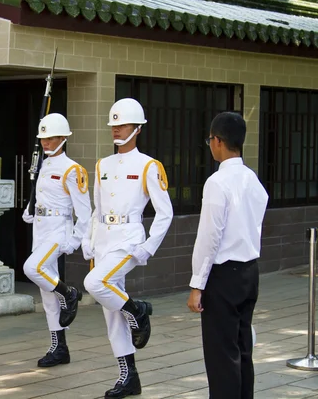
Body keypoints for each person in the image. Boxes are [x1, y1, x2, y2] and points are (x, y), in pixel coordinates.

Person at [82, 98, 173, 398]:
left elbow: (165, 212)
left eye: (122, 125)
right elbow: (96, 210)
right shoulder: (102, 165)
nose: (116, 130)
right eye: (114, 125)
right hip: (105, 240)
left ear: (137, 129)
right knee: (111, 314)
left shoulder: (148, 165)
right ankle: (128, 376)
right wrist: (89, 241)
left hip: (129, 240)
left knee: (95, 283)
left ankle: (137, 310)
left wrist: (147, 247)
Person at [187, 112, 268, 399]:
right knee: (242, 348)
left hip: (223, 275)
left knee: (221, 356)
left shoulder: (217, 182)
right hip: (249, 271)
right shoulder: (252, 180)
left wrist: (197, 285)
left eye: (210, 139)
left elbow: (209, 236)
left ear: (218, 141)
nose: (210, 145)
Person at [22, 113, 91, 368]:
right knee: (46, 293)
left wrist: (74, 241)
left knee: (32, 268)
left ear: (63, 138)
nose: (45, 142)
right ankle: (59, 347)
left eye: (50, 137)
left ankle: (69, 292)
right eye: (43, 138)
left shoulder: (72, 169)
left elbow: (84, 212)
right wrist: (32, 210)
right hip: (40, 229)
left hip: (58, 231)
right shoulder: (42, 166)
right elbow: (41, 197)